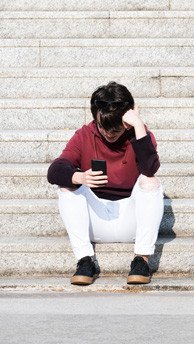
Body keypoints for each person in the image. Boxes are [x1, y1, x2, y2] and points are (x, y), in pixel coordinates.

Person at [47, 82, 163, 286]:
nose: (109, 133)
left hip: (131, 219)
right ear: (95, 119)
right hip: (96, 219)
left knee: (150, 181)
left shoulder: (140, 134)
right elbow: (54, 171)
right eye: (103, 126)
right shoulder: (84, 135)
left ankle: (141, 260)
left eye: (116, 128)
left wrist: (138, 126)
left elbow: (150, 168)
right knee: (67, 185)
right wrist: (79, 177)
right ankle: (85, 261)